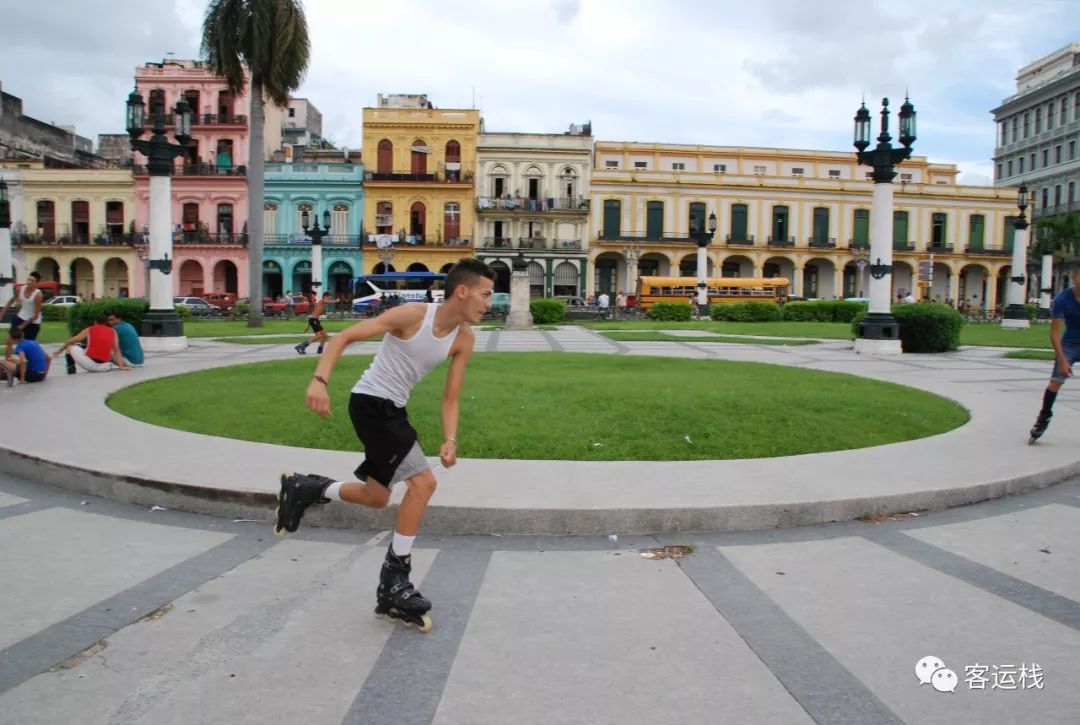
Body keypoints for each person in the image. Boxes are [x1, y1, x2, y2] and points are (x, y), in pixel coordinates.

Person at [274, 258, 495, 632]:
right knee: (423, 484)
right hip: (371, 403)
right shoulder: (412, 316)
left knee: (377, 497)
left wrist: (450, 438)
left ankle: (307, 488)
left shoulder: (464, 339)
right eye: (485, 294)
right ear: (462, 291)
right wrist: (319, 381)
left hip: (392, 408)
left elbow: (451, 399)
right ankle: (395, 580)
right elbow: (343, 337)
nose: (489, 303)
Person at [1030, 268, 1080, 442]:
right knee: (1055, 381)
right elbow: (1054, 332)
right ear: (1074, 277)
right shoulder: (1062, 299)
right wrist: (1062, 360)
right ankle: (1044, 417)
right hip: (1070, 344)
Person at [54, 315, 131, 374]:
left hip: (90, 365)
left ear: (95, 322)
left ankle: (71, 370)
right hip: (106, 366)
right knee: (83, 346)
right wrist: (121, 366)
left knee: (70, 346)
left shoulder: (90, 329)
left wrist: (58, 352)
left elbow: (70, 341)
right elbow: (117, 350)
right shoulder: (113, 332)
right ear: (106, 322)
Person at [3, 272, 44, 357]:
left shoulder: (38, 295)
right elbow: (11, 301)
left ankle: (38, 361)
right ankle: (7, 361)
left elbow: (35, 316)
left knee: (27, 346)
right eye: (28, 279)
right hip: (21, 316)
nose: (29, 282)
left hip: (33, 322)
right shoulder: (19, 289)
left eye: (32, 281)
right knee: (9, 339)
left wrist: (21, 326)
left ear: (36, 283)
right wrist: (2, 312)